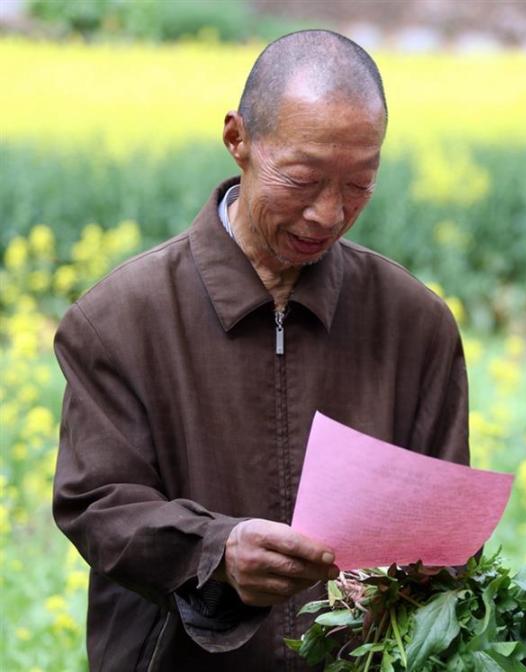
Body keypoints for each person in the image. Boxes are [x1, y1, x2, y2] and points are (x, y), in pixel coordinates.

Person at [52, 30, 469, 669]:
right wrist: (216, 550)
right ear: (237, 139)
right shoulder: (119, 320)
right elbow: (98, 504)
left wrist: (405, 576)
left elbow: (440, 526)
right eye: (302, 179)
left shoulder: (415, 325)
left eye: (359, 184)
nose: (328, 214)